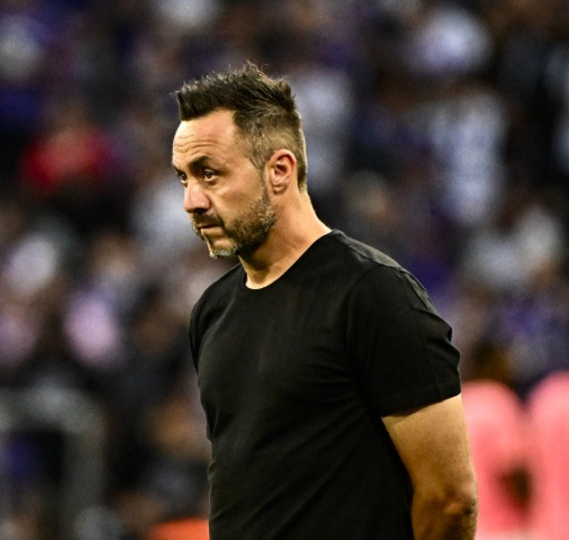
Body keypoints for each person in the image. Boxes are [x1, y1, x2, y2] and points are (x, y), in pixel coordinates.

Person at [171, 61, 478, 540]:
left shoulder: (372, 294)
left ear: (279, 170)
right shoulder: (212, 310)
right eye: (184, 179)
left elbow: (450, 499)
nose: (191, 200)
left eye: (209, 174)